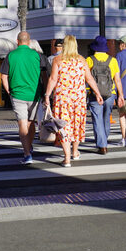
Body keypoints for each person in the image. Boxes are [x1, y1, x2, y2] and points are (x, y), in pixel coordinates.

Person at [44, 35, 103, 167]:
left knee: (63, 126)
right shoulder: (82, 60)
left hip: (63, 99)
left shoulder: (58, 59)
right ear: (75, 45)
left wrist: (47, 95)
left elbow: (53, 79)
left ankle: (67, 158)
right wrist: (97, 93)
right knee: (77, 124)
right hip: (78, 99)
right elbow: (89, 78)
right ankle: (75, 151)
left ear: (64, 45)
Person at [0, 31, 48, 164]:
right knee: (30, 122)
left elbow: (3, 76)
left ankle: (27, 153)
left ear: (17, 41)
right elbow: (44, 76)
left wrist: (8, 90)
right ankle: (29, 146)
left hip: (17, 94)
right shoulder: (37, 55)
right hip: (34, 94)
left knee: (22, 123)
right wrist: (45, 92)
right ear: (29, 41)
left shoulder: (11, 55)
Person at [86, 36, 124, 154]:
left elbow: (86, 78)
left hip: (94, 94)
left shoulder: (89, 60)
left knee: (97, 119)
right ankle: (104, 140)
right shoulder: (113, 60)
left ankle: (102, 145)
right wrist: (121, 95)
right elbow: (117, 80)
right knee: (106, 118)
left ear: (95, 47)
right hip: (110, 94)